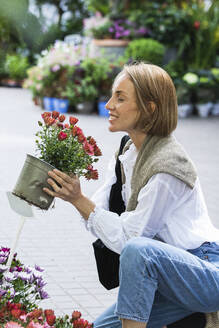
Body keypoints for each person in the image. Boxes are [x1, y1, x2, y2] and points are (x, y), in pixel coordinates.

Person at [43, 62, 219, 328]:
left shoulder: (169, 166)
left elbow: (130, 240)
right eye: (112, 95)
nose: (108, 105)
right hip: (163, 279)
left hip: (203, 273)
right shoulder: (128, 152)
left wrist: (79, 200)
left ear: (150, 107)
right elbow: (98, 214)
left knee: (138, 250)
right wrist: (71, 193)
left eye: (120, 98)